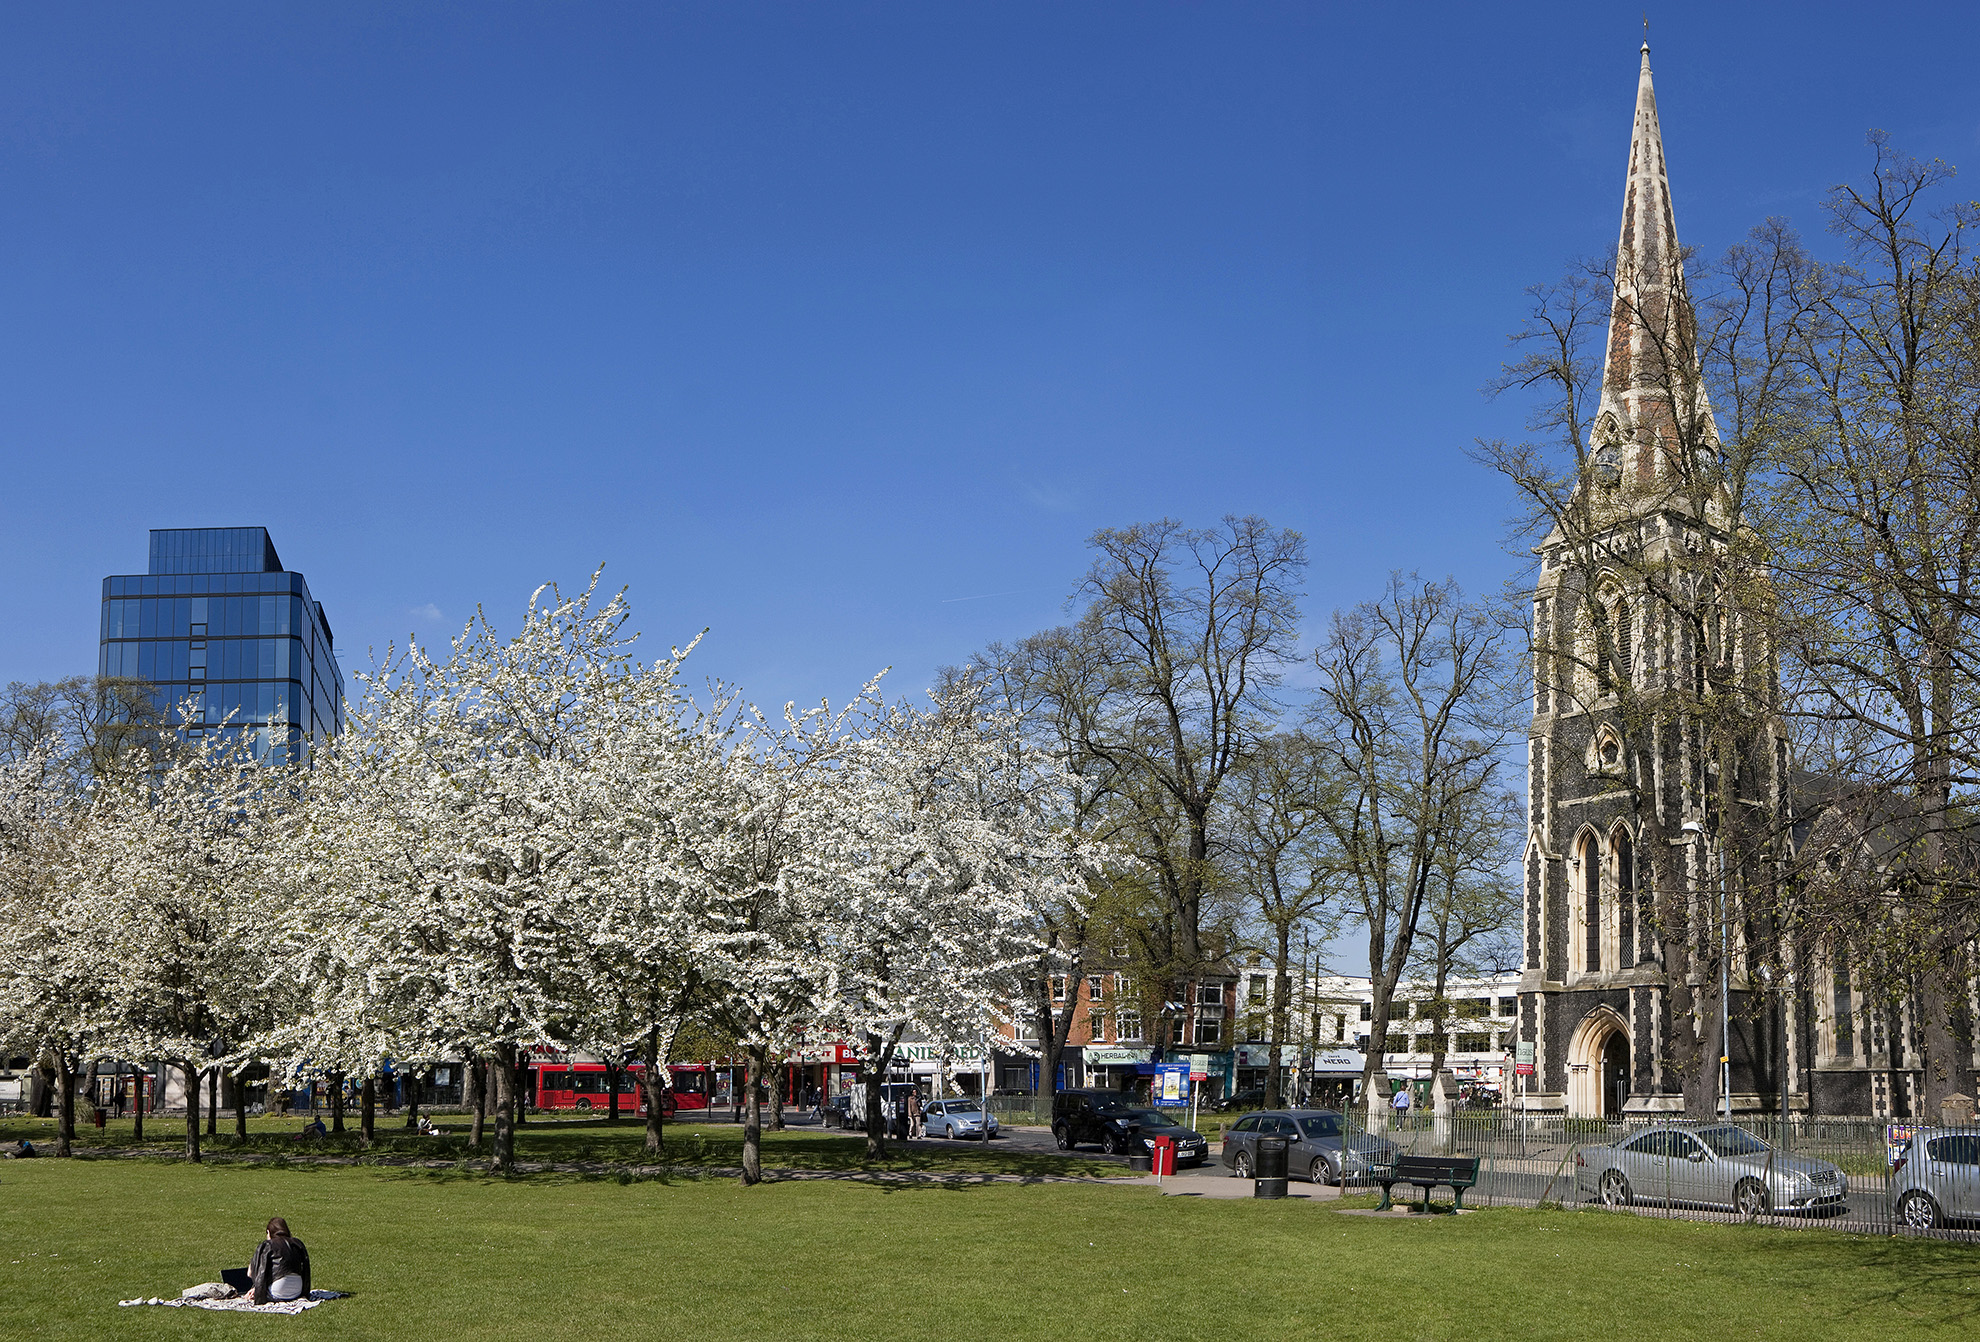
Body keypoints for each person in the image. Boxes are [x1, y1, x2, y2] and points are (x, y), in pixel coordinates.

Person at [247, 1217, 311, 1305]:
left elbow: (254, 1273)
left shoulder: (267, 1245)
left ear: (269, 1232)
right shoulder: (297, 1243)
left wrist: (257, 1292)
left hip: (278, 1292)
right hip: (298, 1291)